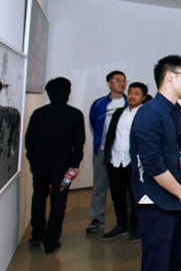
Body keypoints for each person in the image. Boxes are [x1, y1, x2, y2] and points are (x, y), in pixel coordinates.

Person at [130, 55, 181, 271]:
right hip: (156, 202)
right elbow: (153, 164)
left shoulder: (179, 113)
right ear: (169, 76)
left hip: (180, 200)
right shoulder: (149, 113)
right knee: (157, 264)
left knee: (177, 262)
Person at [25, 77, 85, 254]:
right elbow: (78, 143)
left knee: (39, 197)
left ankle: (37, 234)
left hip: (40, 167)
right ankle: (51, 241)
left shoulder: (38, 113)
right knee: (59, 202)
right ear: (68, 92)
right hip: (64, 169)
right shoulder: (75, 114)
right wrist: (75, 164)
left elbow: (29, 142)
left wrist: (33, 161)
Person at [101, 82, 148, 243]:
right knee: (117, 195)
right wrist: (107, 156)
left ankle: (136, 226)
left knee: (135, 196)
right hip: (115, 160)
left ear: (143, 97)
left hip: (133, 162)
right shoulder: (119, 112)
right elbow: (110, 135)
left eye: (136, 93)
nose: (132, 96)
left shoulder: (145, 114)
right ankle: (122, 225)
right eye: (130, 92)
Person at [86, 70, 128, 233]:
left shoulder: (129, 102)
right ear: (109, 84)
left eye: (124, 80)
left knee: (125, 187)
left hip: (124, 152)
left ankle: (128, 219)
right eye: (117, 80)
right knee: (100, 186)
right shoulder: (99, 104)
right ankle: (97, 218)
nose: (122, 83)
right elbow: (93, 125)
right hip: (103, 151)